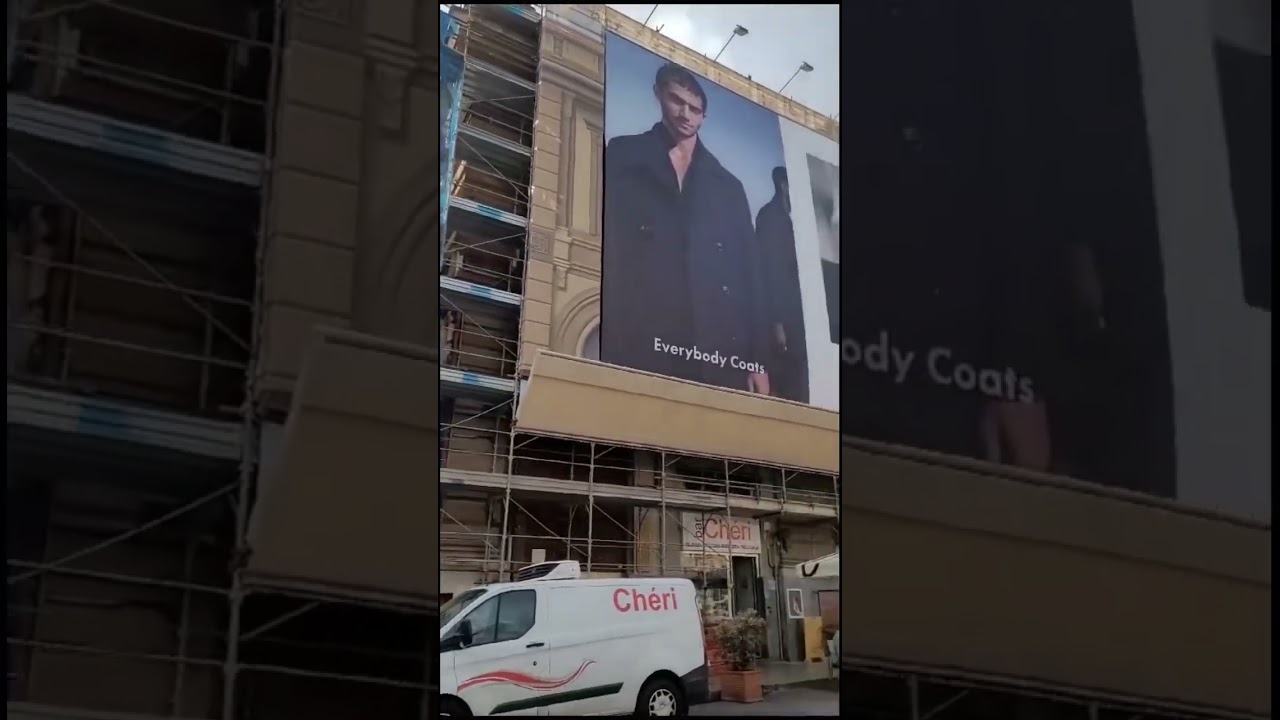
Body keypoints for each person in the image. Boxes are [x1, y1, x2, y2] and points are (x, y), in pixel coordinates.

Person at [603, 62, 770, 396]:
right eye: (676, 100)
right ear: (658, 95)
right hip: (642, 335)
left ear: (704, 116)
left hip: (717, 347)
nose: (684, 114)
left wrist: (758, 361)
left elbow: (750, 276)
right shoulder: (622, 155)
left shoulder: (729, 186)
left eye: (694, 108)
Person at [754, 167, 809, 403]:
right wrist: (777, 324)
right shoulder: (770, 217)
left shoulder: (797, 219)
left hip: (800, 320)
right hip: (783, 324)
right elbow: (770, 273)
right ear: (784, 185)